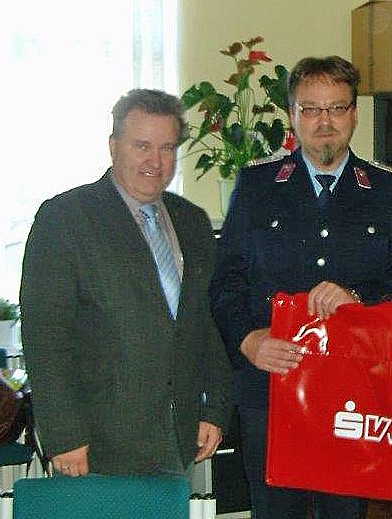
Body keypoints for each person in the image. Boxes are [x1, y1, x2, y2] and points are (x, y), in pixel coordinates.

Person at [209, 55, 392, 519]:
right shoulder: (257, 184)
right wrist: (248, 340)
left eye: (337, 108)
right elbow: (226, 281)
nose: (324, 121)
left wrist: (359, 303)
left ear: (354, 114)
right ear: (292, 115)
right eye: (311, 109)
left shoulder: (387, 190)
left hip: (353, 392)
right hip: (270, 388)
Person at [19, 89, 233, 477]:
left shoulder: (192, 222)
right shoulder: (65, 218)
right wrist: (64, 435)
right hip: (94, 443)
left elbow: (208, 325)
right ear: (113, 146)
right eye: (141, 146)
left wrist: (214, 409)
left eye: (167, 148)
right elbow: (45, 336)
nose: (155, 161)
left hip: (179, 435)